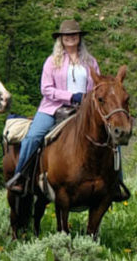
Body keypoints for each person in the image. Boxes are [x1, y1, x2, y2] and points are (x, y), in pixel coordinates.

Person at [6, 19, 121, 197]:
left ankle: (116, 183)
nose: (70, 38)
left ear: (79, 37)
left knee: (112, 138)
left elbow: (97, 87)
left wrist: (88, 100)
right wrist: (70, 96)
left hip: (84, 110)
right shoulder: (52, 61)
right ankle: (20, 176)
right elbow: (45, 88)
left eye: (74, 35)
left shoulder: (90, 62)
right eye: (66, 35)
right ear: (61, 39)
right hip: (53, 108)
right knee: (34, 136)